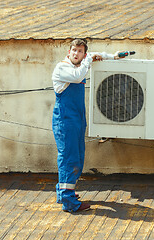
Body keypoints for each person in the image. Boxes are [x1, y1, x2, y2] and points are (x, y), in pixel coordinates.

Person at [52, 39, 122, 212]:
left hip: (76, 118)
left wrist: (113, 56)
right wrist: (89, 60)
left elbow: (96, 55)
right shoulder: (63, 68)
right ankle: (69, 202)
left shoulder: (81, 63)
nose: (77, 54)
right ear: (69, 52)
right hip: (65, 119)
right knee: (69, 158)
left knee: (77, 156)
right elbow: (78, 76)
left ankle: (64, 192)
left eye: (80, 51)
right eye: (74, 50)